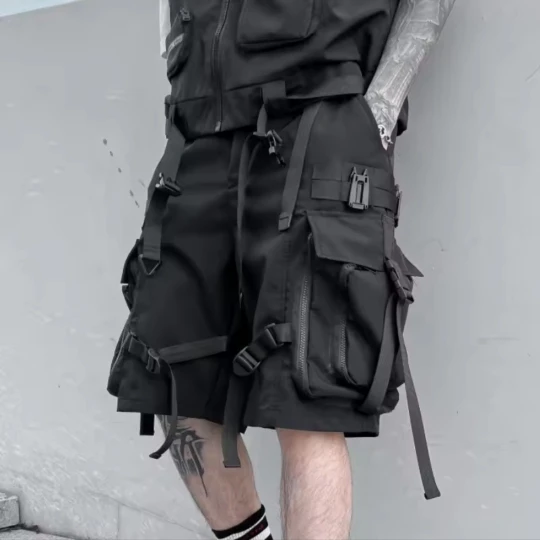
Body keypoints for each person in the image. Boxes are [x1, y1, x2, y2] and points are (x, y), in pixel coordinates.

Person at [108, 1, 456, 538]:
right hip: (198, 125)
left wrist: (382, 109)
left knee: (308, 397)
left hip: (319, 114)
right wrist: (178, 51)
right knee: (171, 381)